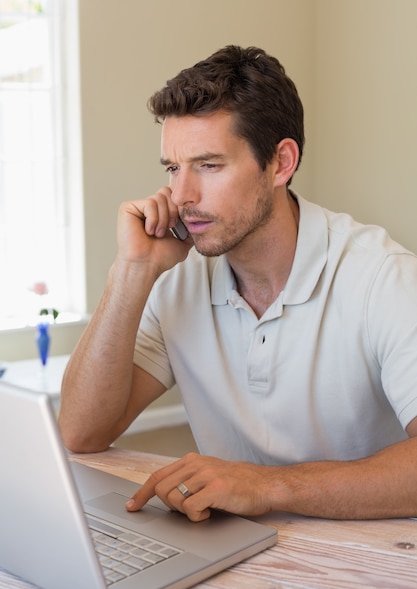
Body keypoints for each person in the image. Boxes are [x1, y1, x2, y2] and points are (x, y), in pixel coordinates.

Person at [59, 45, 417, 522]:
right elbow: (81, 433)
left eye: (208, 165)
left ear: (281, 163)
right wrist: (131, 271)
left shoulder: (383, 277)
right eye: (172, 168)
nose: (181, 196)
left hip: (372, 565)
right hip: (233, 556)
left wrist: (268, 485)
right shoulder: (176, 279)